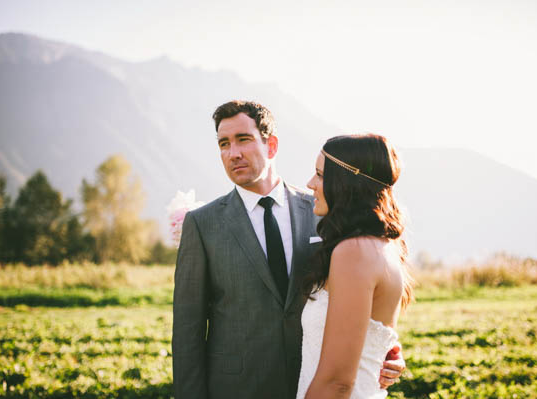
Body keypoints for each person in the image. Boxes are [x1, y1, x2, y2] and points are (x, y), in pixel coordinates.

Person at [172, 101, 405, 399]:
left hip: (314, 384)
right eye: (223, 144)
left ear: (271, 145)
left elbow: (367, 296)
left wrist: (386, 353)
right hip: (237, 390)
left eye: (243, 139)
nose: (233, 153)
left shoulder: (324, 212)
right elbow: (187, 332)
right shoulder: (202, 224)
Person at [296, 134, 413, 399]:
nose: (310, 184)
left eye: (320, 175)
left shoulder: (354, 252)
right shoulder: (383, 245)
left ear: (347, 183)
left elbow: (337, 382)